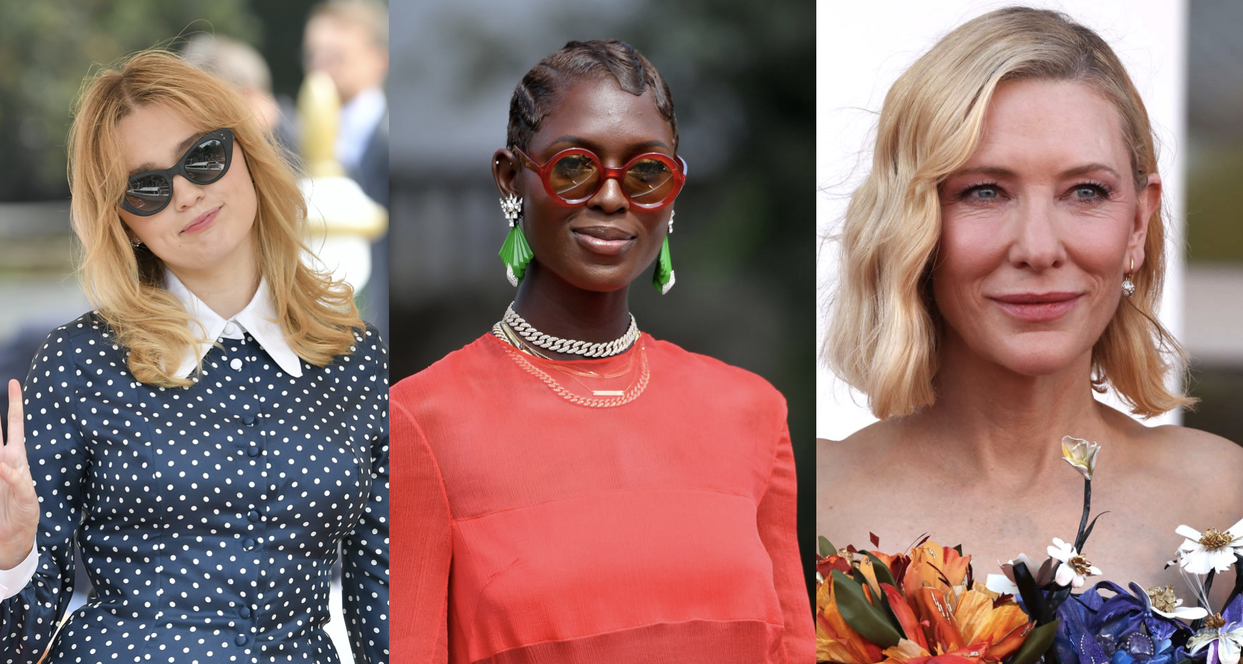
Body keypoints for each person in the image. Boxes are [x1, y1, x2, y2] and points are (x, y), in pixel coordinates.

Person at [388, 39, 815, 663]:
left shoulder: (752, 413)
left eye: (646, 172)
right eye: (575, 167)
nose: (612, 196)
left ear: (673, 194)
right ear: (512, 178)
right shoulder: (423, 420)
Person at [0, 50, 388, 664]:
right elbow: (8, 642)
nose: (186, 194)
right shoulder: (79, 361)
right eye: (148, 186)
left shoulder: (354, 356)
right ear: (124, 221)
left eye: (204, 157)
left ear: (246, 154)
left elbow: (385, 597)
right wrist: (10, 546)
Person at [817, 6, 1243, 597]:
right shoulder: (806, 500)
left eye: (1086, 192)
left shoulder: (1226, 495)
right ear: (909, 222)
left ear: (1139, 224)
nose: (1039, 249)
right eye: (984, 192)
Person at [303, 0, 390, 336]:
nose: (321, 69)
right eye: (314, 56)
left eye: (336, 56)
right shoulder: (292, 141)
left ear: (376, 59)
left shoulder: (389, 139)